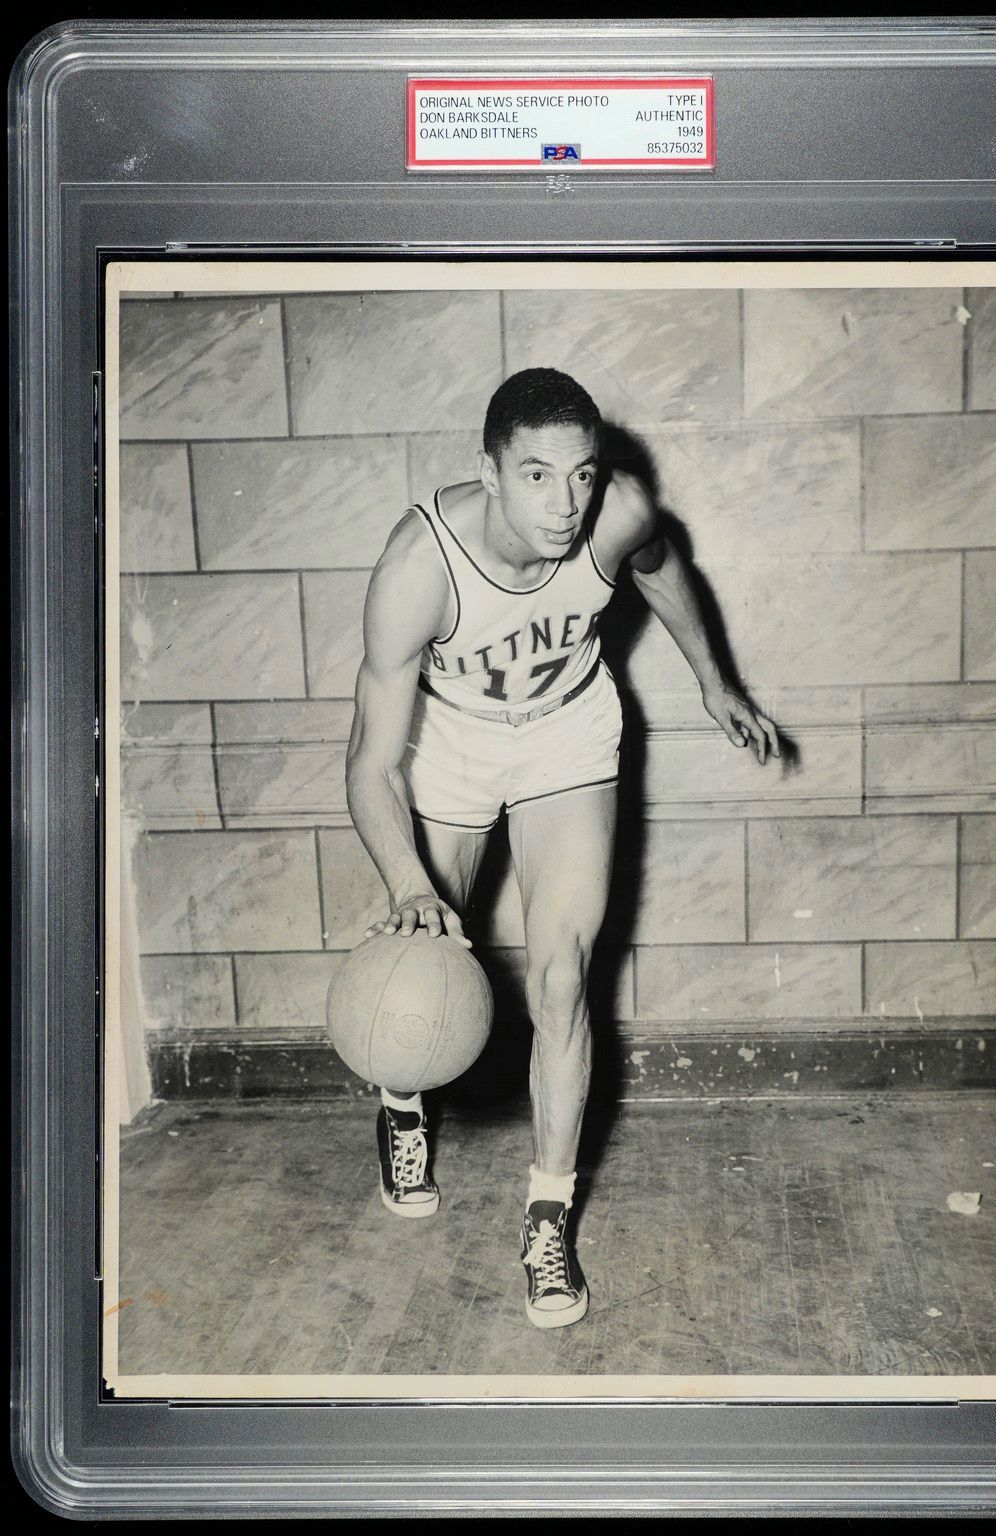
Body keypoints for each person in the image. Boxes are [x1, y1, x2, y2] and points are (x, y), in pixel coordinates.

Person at [345, 367, 779, 1329]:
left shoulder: (618, 514)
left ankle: (547, 1219)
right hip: (452, 742)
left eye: (579, 474)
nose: (563, 502)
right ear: (489, 471)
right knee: (418, 953)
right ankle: (403, 1106)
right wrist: (409, 884)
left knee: (561, 979)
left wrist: (714, 683)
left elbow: (661, 570)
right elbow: (369, 765)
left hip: (566, 736)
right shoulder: (420, 566)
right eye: (536, 475)